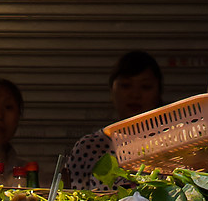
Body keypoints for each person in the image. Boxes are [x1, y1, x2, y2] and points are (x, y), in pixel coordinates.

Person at [58, 49, 163, 190]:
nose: (135, 94)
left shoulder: (179, 145)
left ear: (159, 92)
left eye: (145, 87)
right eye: (126, 85)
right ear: (111, 91)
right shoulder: (90, 147)